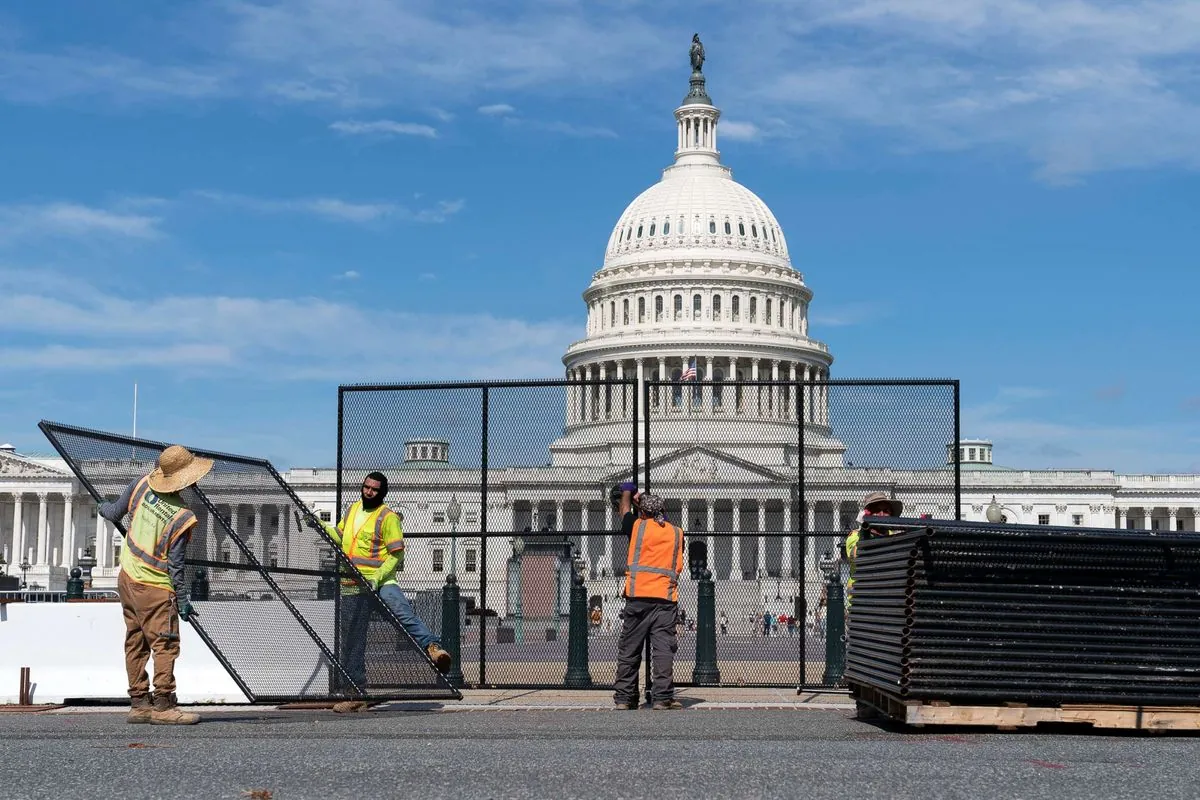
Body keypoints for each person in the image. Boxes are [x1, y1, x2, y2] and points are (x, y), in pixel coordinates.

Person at [100, 445, 213, 725]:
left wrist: (101, 506)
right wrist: (183, 600)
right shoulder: (183, 516)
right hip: (155, 586)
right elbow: (176, 566)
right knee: (165, 643)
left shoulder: (139, 485)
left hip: (127, 578)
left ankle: (139, 704)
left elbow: (113, 513)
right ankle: (163, 705)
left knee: (135, 641)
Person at [313, 472, 452, 695]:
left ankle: (433, 648)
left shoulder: (388, 517)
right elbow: (339, 536)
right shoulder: (352, 510)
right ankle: (354, 688)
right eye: (366, 487)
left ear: (382, 493)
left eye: (374, 489)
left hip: (381, 582)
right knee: (351, 638)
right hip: (352, 582)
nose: (368, 491)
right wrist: (319, 525)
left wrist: (376, 578)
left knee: (403, 616)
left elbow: (396, 555)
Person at [611, 482, 685, 711]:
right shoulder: (676, 532)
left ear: (642, 512)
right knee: (663, 650)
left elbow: (624, 512)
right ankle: (662, 697)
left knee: (630, 649)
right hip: (665, 597)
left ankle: (625, 698)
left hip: (638, 595)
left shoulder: (637, 527)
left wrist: (628, 492)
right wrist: (647, 505)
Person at [843, 491, 904, 605]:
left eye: (886, 511)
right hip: (861, 601)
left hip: (889, 599)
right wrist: (865, 527)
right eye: (876, 511)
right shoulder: (855, 536)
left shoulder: (896, 537)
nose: (882, 515)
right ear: (867, 513)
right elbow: (857, 557)